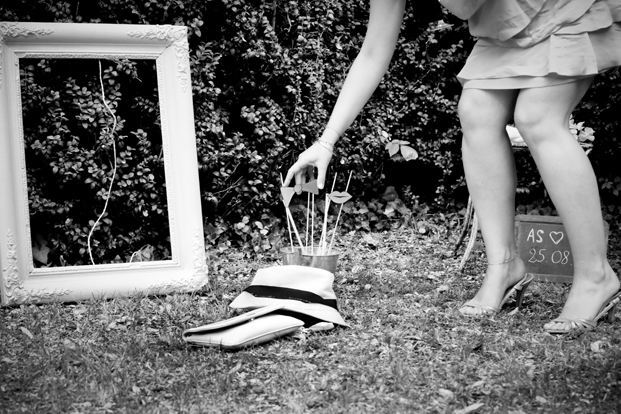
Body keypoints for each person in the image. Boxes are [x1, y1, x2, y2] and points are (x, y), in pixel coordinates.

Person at [284, 0, 621, 333]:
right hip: (509, 24)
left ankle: (596, 276)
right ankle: (503, 266)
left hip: (564, 7)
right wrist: (325, 142)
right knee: (476, 110)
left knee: (537, 116)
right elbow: (373, 52)